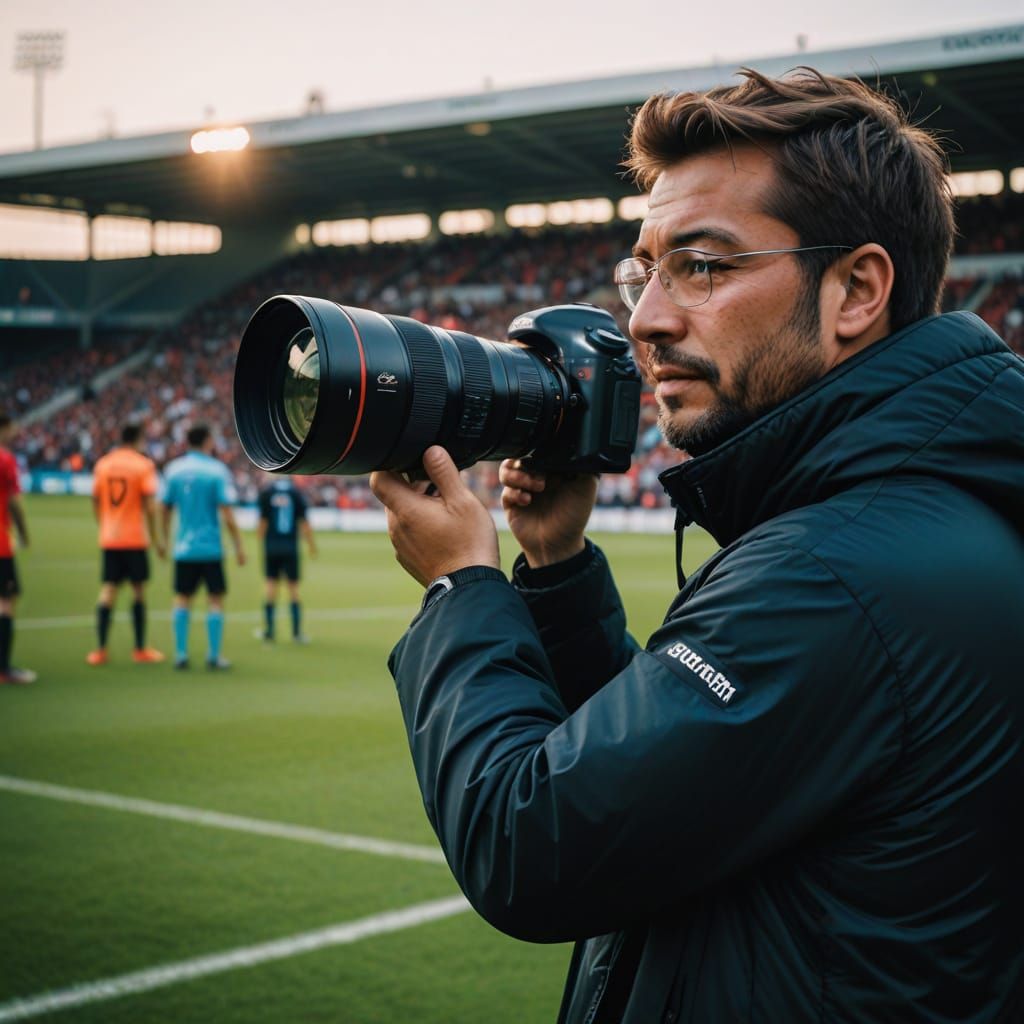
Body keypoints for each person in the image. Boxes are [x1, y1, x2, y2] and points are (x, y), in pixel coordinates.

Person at [369, 68, 1024, 1021]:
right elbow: (673, 786)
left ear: (856, 290)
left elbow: (534, 843)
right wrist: (556, 575)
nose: (645, 319)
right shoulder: (920, 510)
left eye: (704, 267)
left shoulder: (834, 570)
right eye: (645, 271)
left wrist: (459, 589)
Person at [161, 424, 245, 670]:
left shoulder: (173, 470)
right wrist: (238, 545)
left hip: (184, 548)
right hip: (210, 548)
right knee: (215, 599)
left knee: (182, 599)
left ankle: (180, 654)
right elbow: (227, 514)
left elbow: (164, 509)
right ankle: (214, 655)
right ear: (208, 440)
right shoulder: (216, 471)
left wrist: (164, 539)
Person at [86, 422, 166, 665]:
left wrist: (104, 525)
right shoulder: (143, 465)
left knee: (108, 590)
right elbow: (151, 507)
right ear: (138, 439)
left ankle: (100, 649)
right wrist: (156, 538)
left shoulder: (104, 463)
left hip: (110, 537)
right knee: (138, 591)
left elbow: (96, 500)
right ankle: (140, 648)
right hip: (134, 538)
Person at [254, 475, 316, 643]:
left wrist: (260, 540)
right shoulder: (296, 493)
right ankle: (296, 634)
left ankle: (269, 632)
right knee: (293, 589)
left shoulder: (267, 492)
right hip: (290, 547)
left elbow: (262, 522)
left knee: (270, 585)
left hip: (271, 546)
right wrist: (311, 545)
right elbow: (304, 522)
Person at [0, 415, 35, 685]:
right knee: (6, 601)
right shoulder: (5, 459)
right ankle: (3, 668)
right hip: (1, 543)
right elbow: (14, 502)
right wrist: (23, 534)